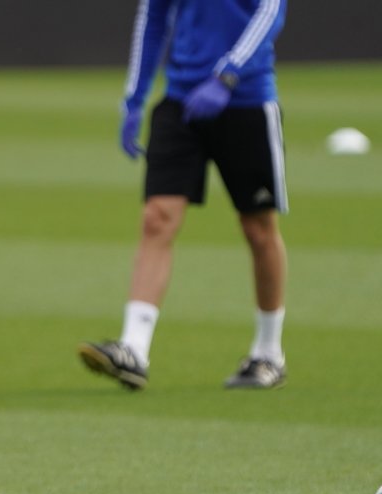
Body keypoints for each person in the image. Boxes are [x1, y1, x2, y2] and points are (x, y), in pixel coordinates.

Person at [79, 0, 289, 391]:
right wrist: (135, 97)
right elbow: (153, 16)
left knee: (258, 227)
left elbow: (270, 10)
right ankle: (134, 350)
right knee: (157, 217)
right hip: (181, 99)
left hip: (246, 99)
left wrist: (228, 75)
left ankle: (268, 353)